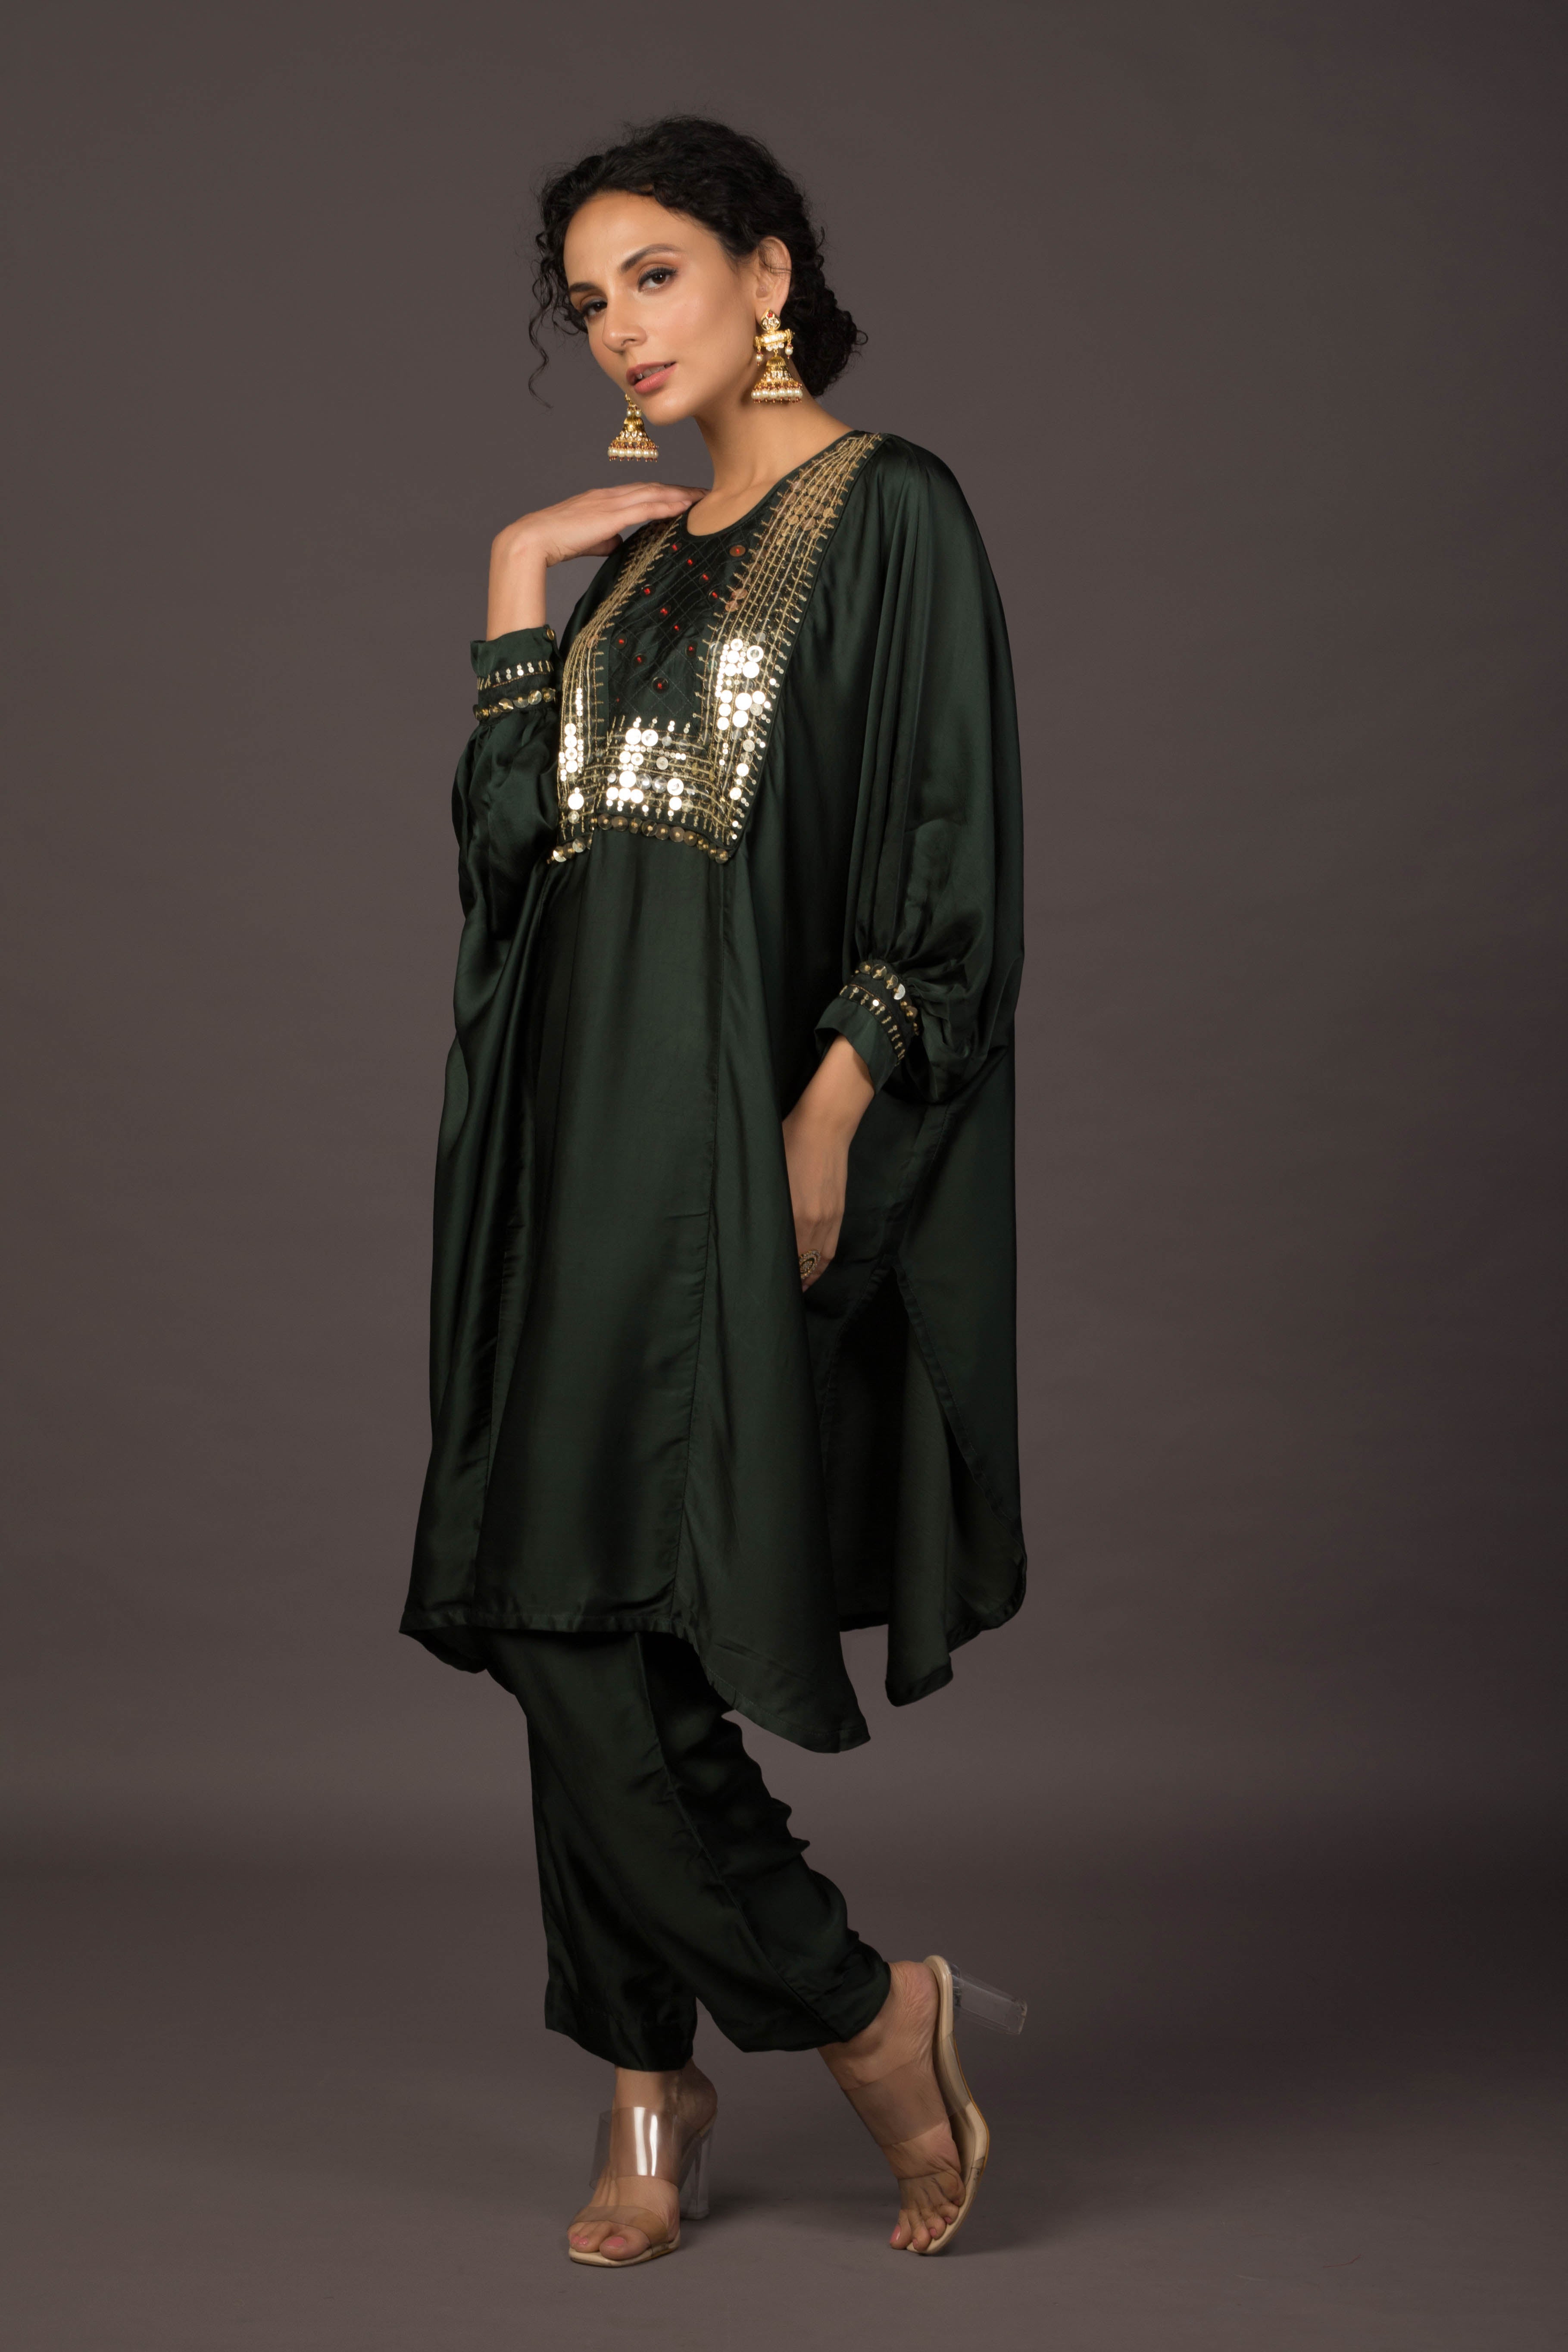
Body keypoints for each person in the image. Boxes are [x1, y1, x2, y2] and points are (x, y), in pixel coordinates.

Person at [402, 115, 1026, 2265]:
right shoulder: (638, 558)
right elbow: (514, 865)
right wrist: (517, 588)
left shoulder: (891, 510)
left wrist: (829, 1112)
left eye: (652, 273)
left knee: (586, 1604)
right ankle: (714, 2052)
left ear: (768, 272)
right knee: (552, 1597)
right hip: (558, 1148)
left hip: (721, 1152)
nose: (618, 326)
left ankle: (783, 2034)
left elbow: (947, 858)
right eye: (588, 300)